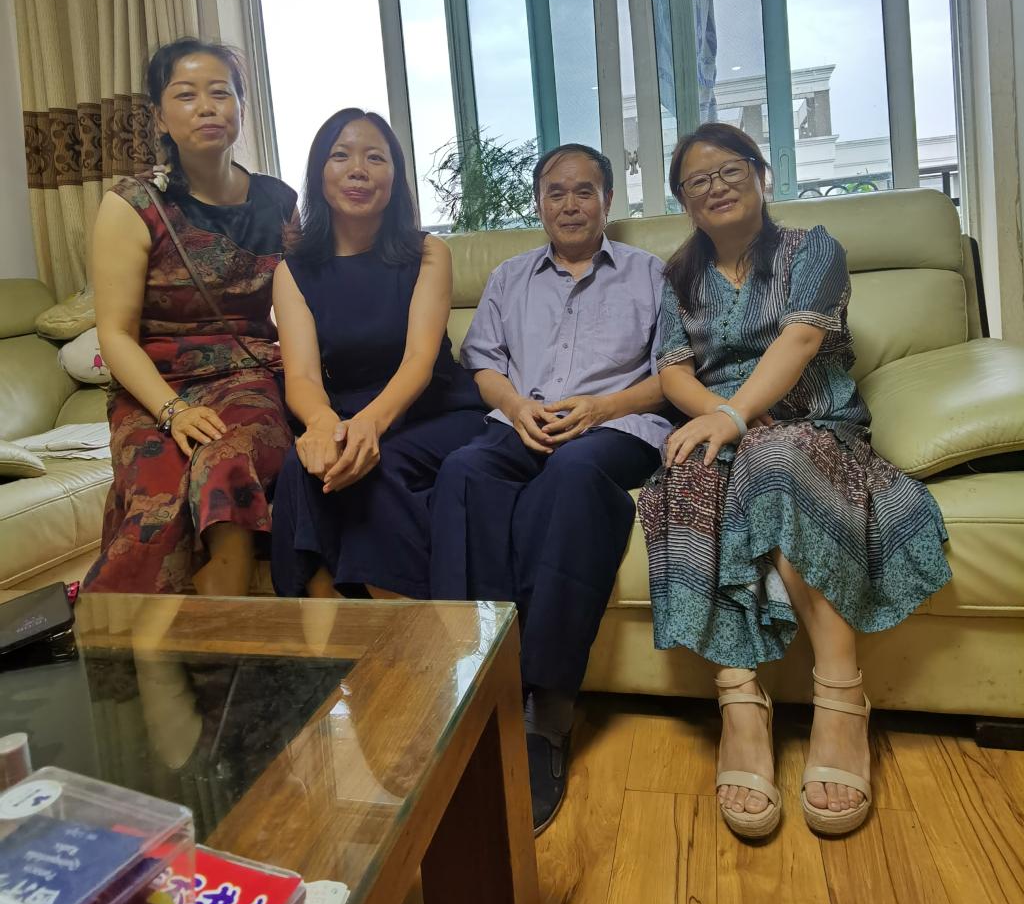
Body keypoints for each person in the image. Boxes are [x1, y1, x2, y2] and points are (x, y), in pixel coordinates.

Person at [638, 123, 951, 839]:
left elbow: (802, 338)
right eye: (698, 180)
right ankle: (739, 701)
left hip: (814, 425)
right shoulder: (675, 277)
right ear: (684, 200)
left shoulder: (814, 249)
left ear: (761, 174)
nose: (716, 186)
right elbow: (672, 370)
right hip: (719, 426)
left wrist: (737, 417)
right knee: (685, 475)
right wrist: (717, 421)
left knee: (776, 457)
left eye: (730, 169)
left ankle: (841, 695)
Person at [430, 143, 670, 833]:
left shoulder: (650, 274)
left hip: (615, 427)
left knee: (570, 475)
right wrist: (517, 406)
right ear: (539, 203)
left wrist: (601, 407)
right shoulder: (509, 277)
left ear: (607, 201)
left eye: (584, 191)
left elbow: (674, 374)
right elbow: (483, 364)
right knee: (463, 471)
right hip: (525, 421)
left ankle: (548, 711)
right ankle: (474, 680)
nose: (570, 204)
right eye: (556, 192)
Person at [85, 38, 295, 595]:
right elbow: (115, 334)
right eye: (185, 95)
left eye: (221, 93)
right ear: (159, 115)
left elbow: (303, 307)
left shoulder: (278, 202)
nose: (207, 107)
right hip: (156, 386)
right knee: (156, 504)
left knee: (225, 461)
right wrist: (173, 411)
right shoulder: (132, 204)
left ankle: (225, 619)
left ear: (241, 108)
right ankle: (134, 641)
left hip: (248, 377)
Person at [270, 109, 485, 599]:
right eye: (340, 156)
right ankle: (321, 627)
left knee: (372, 465)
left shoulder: (428, 252)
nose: (358, 170)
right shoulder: (293, 271)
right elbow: (302, 377)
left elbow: (419, 362)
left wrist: (368, 425)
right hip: (346, 412)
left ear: (394, 176)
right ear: (318, 173)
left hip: (434, 410)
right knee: (301, 467)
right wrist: (322, 424)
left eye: (375, 158)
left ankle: (410, 619)